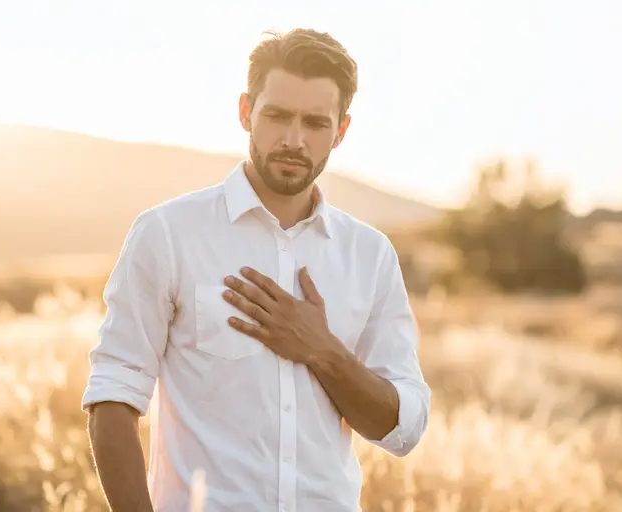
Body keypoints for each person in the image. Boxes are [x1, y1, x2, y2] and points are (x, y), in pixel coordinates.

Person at [82, 27, 432, 512]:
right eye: (277, 116)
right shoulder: (168, 234)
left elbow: (402, 429)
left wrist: (326, 352)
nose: (293, 139)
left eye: (314, 122)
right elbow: (113, 396)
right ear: (245, 111)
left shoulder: (370, 255)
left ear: (342, 130)